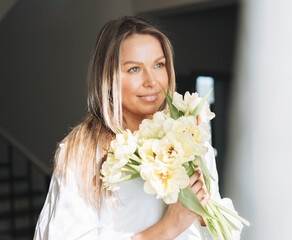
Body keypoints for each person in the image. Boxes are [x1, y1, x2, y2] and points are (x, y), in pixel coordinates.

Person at [34, 16, 242, 240]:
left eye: (159, 65)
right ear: (108, 78)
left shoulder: (189, 140)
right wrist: (168, 227)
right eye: (134, 69)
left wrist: (203, 214)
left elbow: (221, 231)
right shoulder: (82, 153)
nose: (151, 81)